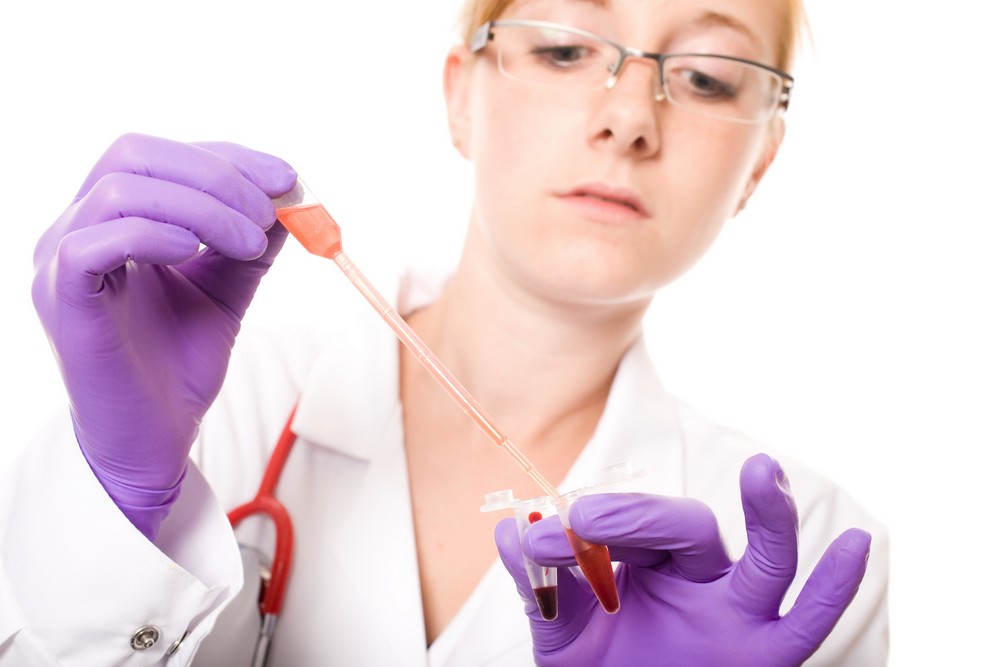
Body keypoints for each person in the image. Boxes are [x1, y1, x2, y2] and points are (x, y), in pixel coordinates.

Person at [0, 0, 889, 664]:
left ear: (760, 161)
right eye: (566, 47)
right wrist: (119, 497)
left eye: (706, 77)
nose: (629, 119)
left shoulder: (798, 560)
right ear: (462, 96)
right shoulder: (228, 414)